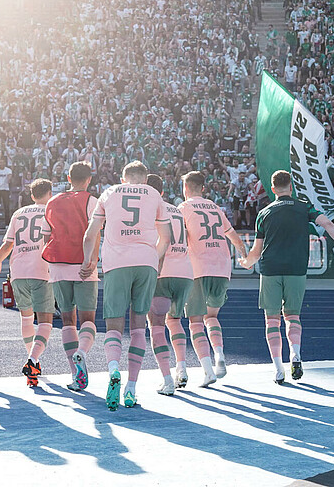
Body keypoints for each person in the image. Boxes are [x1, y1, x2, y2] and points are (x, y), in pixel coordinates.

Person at [241, 170, 334, 384]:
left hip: (270, 269)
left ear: (273, 190)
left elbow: (256, 250)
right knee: (293, 316)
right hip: (296, 268)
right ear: (291, 187)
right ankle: (296, 355)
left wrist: (246, 263)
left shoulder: (264, 213)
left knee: (272, 319)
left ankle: (278, 368)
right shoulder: (303, 206)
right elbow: (327, 224)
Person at [80, 161, 172, 411]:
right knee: (140, 325)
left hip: (116, 262)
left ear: (123, 178)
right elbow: (167, 237)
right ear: (144, 179)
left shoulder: (109, 193)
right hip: (146, 262)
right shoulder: (154, 194)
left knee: (114, 325)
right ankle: (131, 387)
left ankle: (112, 370)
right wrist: (154, 257)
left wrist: (88, 260)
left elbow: (90, 233)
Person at [178, 170, 247, 386]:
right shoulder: (215, 208)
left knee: (195, 321)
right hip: (222, 267)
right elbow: (234, 236)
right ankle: (220, 356)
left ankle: (207, 370)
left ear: (186, 188)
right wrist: (244, 255)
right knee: (212, 317)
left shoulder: (184, 207)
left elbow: (178, 238)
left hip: (198, 267)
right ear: (203, 188)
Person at [0, 179, 54, 387]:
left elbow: (8, 243)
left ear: (32, 195)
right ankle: (32, 360)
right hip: (41, 269)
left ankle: (33, 363)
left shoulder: (19, 213)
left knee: (26, 320)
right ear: (49, 193)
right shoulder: (51, 211)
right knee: (45, 321)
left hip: (18, 271)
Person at [41, 161, 99, 392]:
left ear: (68, 177)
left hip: (58, 263)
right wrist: (92, 261)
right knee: (88, 320)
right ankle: (81, 353)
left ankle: (76, 375)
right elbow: (94, 234)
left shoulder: (52, 202)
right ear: (89, 179)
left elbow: (46, 237)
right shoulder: (91, 201)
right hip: (82, 263)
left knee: (67, 320)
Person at [145, 173, 195, 395]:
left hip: (162, 272)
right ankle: (181, 367)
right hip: (185, 272)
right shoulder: (177, 209)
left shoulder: (148, 209)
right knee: (174, 321)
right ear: (163, 191)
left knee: (155, 324)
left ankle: (166, 378)